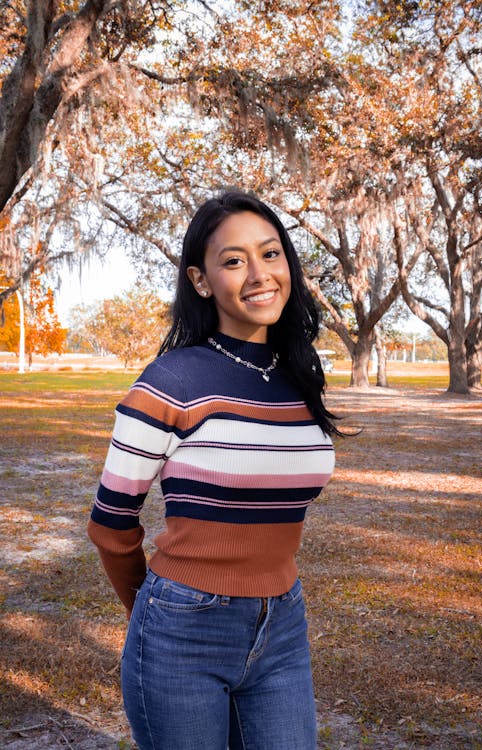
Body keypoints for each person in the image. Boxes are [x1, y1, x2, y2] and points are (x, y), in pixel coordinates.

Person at [88, 191, 339, 750]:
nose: (259, 274)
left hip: (283, 626)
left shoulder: (299, 379)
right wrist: (153, 615)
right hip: (182, 629)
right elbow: (110, 523)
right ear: (202, 281)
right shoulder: (169, 382)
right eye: (233, 260)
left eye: (270, 254)